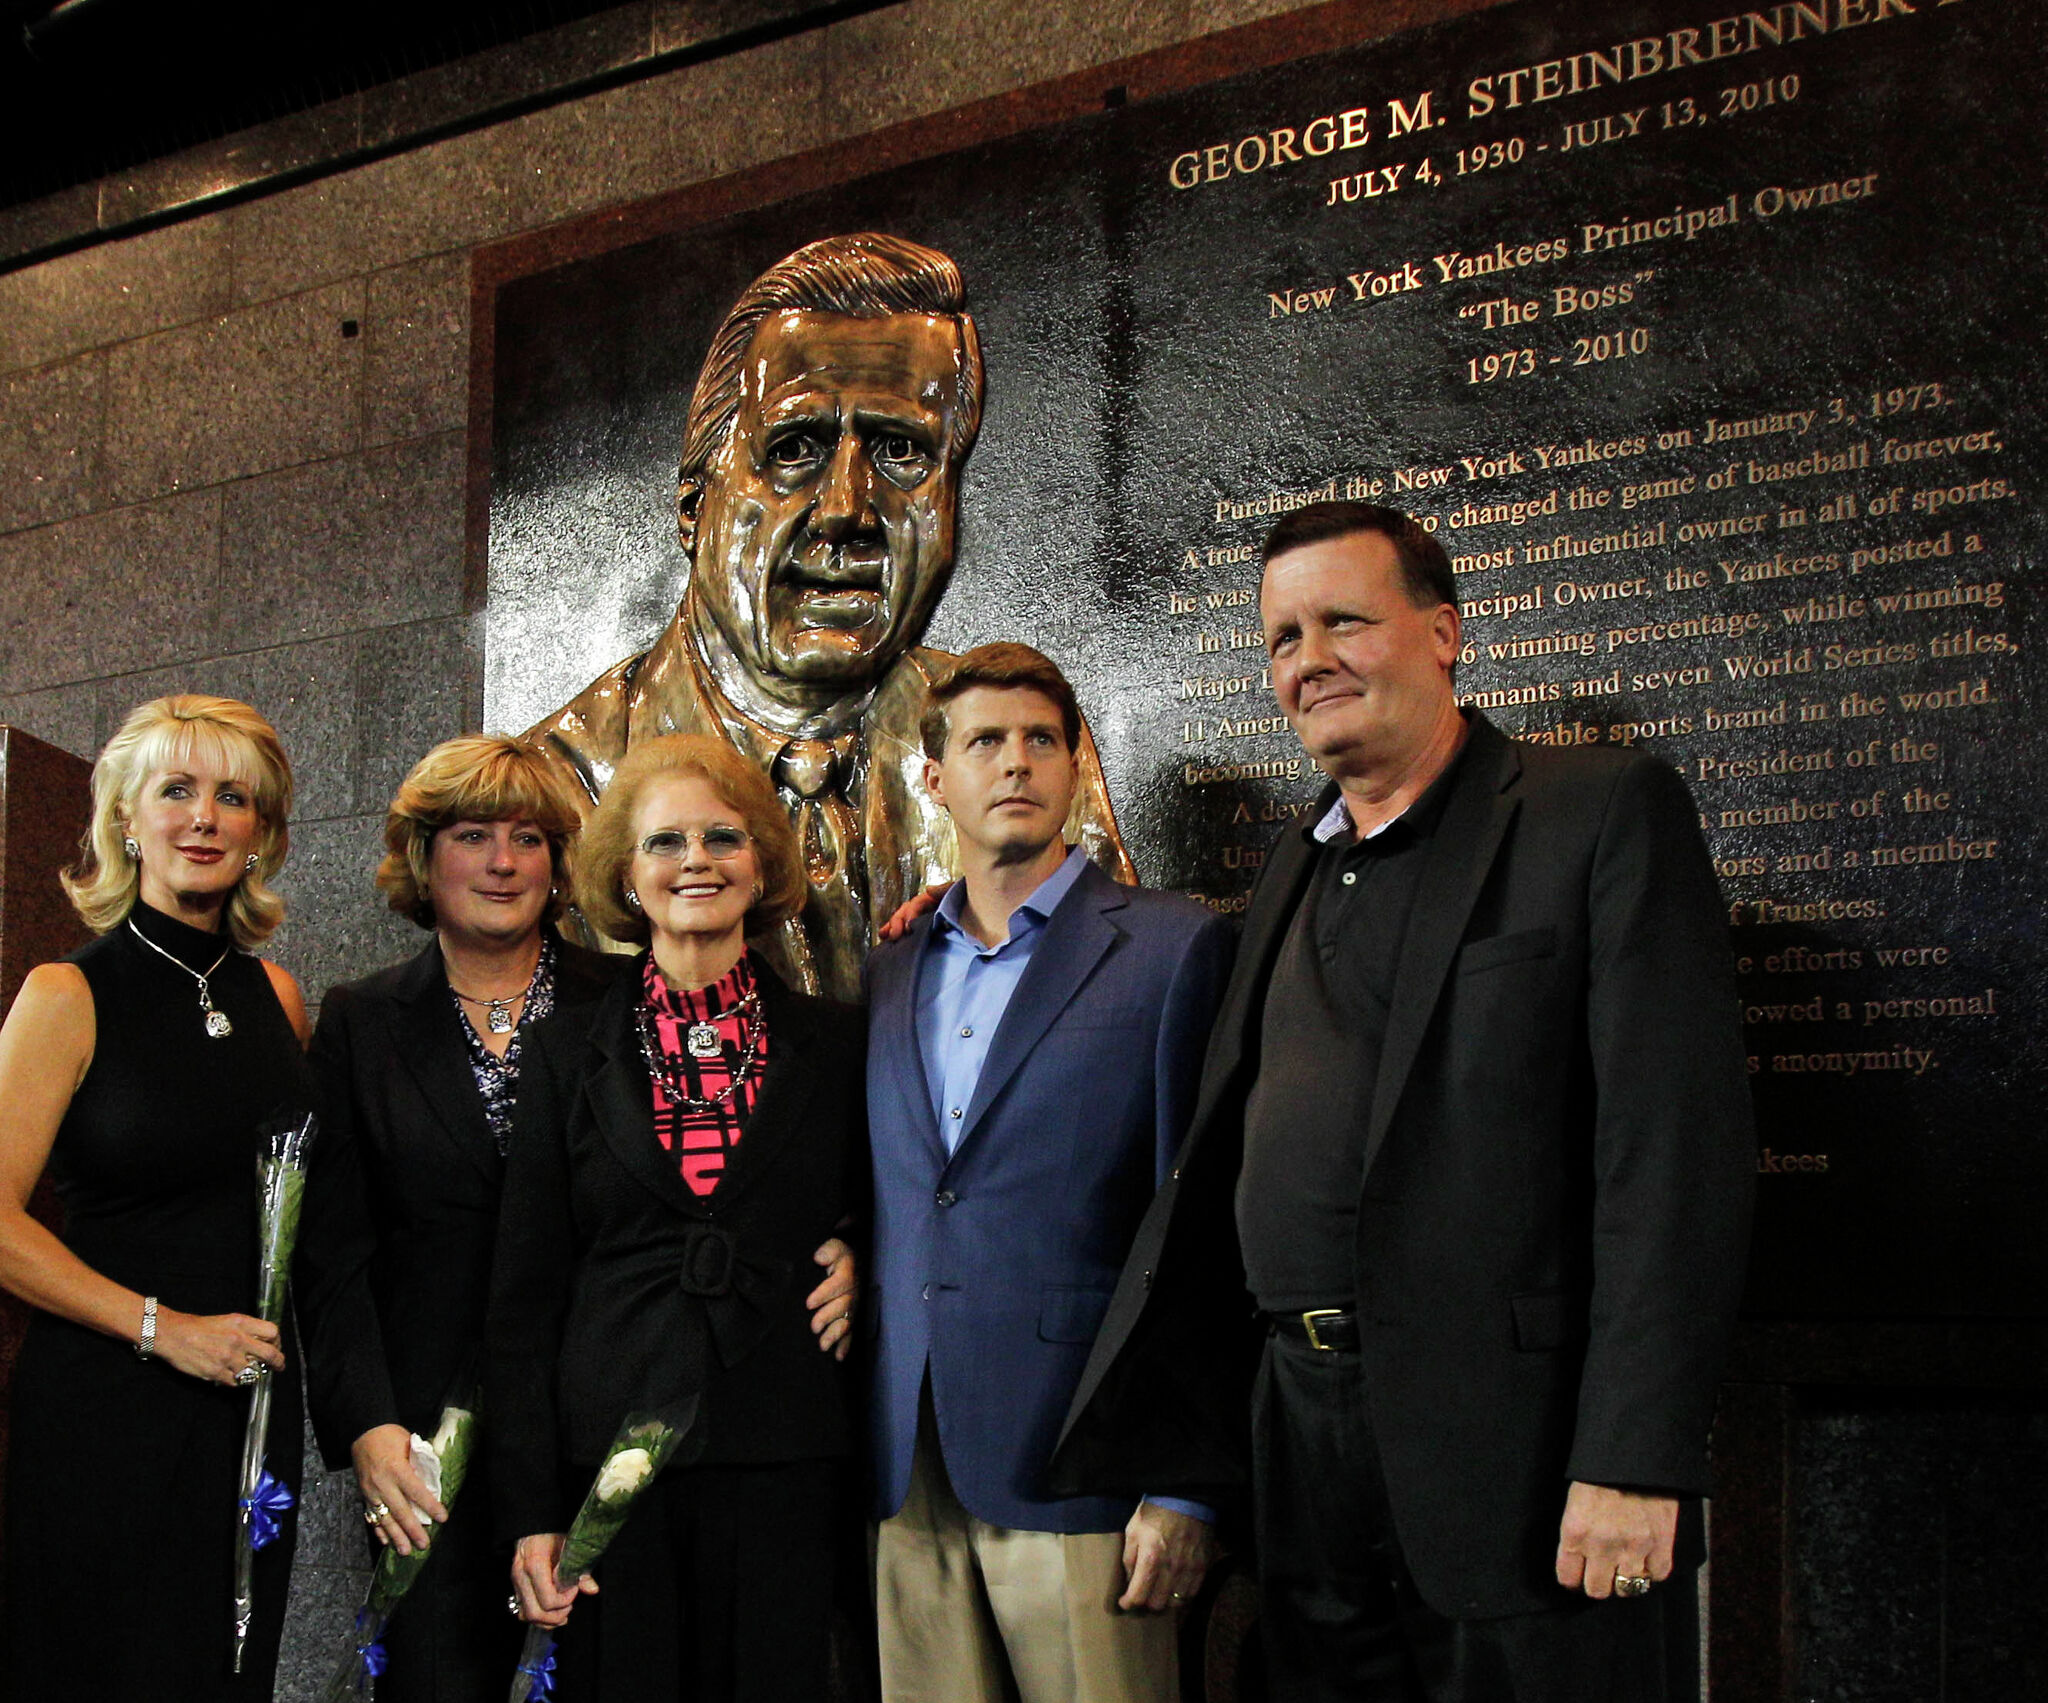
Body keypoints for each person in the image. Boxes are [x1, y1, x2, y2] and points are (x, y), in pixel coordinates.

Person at [1055, 503, 1756, 1702]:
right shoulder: (1292, 859)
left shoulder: (1595, 812)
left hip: (1515, 1447)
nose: (1306, 657)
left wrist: (1635, 1456)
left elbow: (1671, 1154)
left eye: (1341, 620)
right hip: (1299, 1432)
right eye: (1280, 636)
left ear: (1442, 632)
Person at [523, 231, 1131, 1003]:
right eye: (795, 448)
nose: (846, 508)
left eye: (902, 452)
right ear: (693, 509)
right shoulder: (557, 796)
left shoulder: (1017, 747)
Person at [864, 644, 1235, 1703]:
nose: (1014, 762)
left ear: (1076, 763)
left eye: (1040, 739)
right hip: (907, 1461)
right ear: (933, 776)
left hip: (1086, 1464)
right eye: (983, 741)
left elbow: (1201, 1228)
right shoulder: (888, 969)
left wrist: (1186, 1484)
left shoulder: (1173, 947)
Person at [487, 733, 867, 1699]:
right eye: (665, 842)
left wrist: (858, 1250)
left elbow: (884, 1195)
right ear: (626, 874)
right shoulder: (565, 1052)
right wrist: (532, 1507)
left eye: (721, 836)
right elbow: (523, 1294)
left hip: (781, 1446)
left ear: (762, 863)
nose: (695, 859)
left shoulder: (834, 1043)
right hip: (612, 1460)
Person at [294, 737, 629, 1698]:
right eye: (474, 833)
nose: (502, 861)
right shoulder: (361, 1021)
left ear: (558, 863)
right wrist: (365, 1426)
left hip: (593, 1420)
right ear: (422, 857)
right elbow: (333, 1252)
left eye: (529, 837)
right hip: (427, 1448)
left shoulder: (621, 1003)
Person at [0, 694, 316, 1700]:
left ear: (261, 831)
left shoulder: (280, 996)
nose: (204, 816)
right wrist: (160, 1327)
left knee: (227, 1674)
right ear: (125, 821)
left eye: (234, 796)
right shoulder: (65, 992)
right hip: (106, 1404)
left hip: (248, 1409)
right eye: (174, 790)